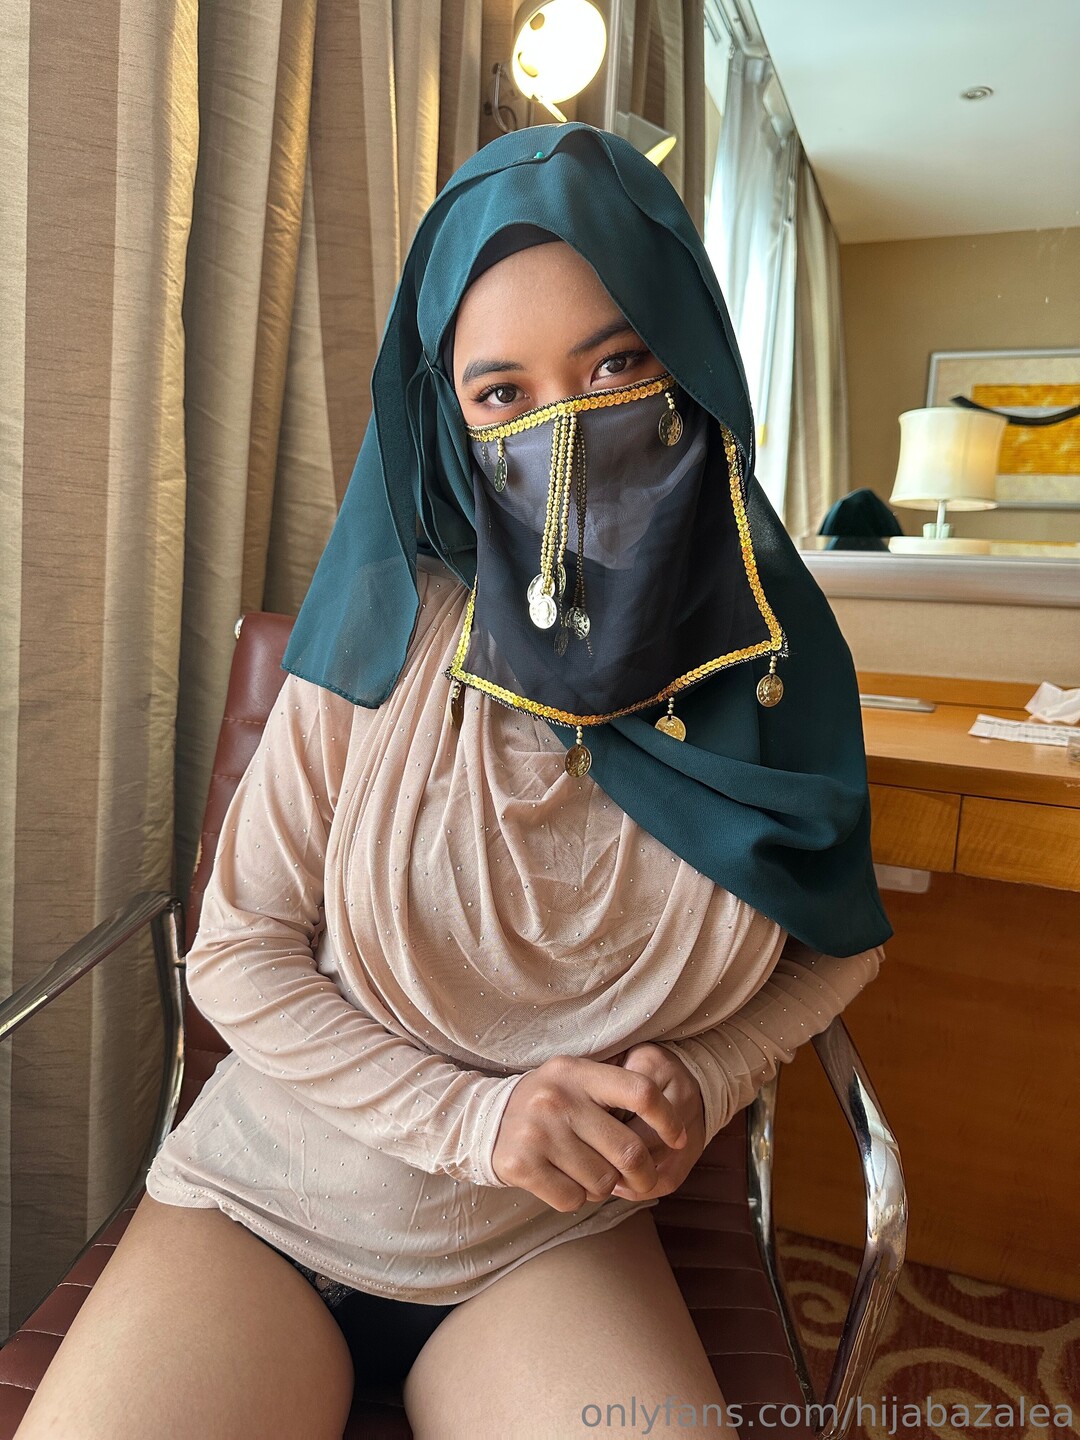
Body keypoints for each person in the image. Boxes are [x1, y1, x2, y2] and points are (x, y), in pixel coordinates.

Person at [16, 123, 892, 1440]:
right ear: (451, 414)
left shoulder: (778, 667)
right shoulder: (387, 633)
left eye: (617, 364)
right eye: (502, 395)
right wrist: (476, 1122)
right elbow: (237, 953)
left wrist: (708, 1076)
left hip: (549, 1245)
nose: (565, 429)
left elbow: (839, 941)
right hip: (266, 1207)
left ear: (692, 357)